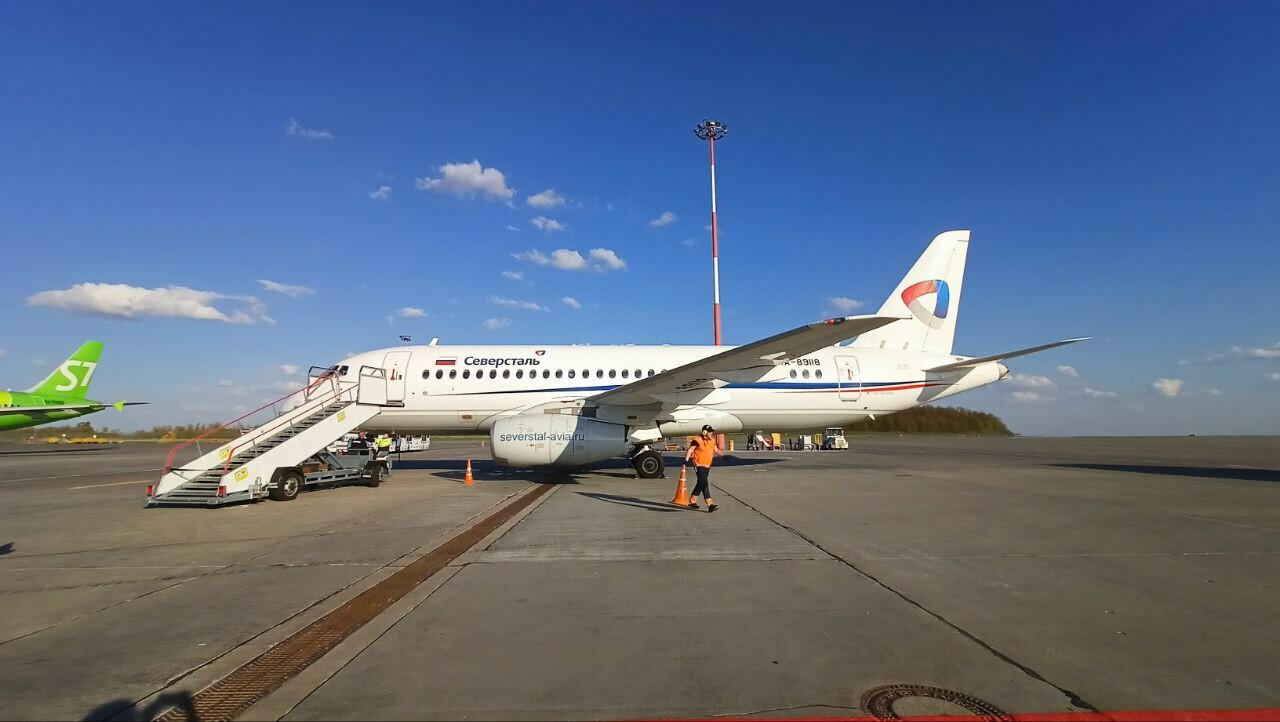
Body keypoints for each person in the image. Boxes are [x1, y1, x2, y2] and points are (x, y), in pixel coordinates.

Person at [683, 424, 724, 512]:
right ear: (704, 432)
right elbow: (690, 450)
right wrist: (686, 461)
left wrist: (724, 456)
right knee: (704, 482)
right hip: (698, 465)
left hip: (707, 465)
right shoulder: (697, 440)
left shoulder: (712, 441)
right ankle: (710, 504)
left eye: (712, 431)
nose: (711, 433)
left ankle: (692, 501)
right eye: (710, 432)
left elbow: (716, 450)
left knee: (700, 482)